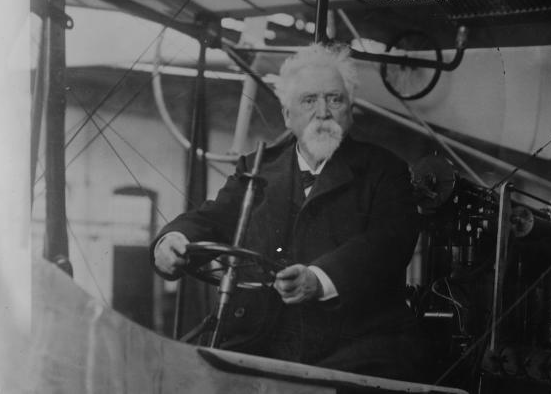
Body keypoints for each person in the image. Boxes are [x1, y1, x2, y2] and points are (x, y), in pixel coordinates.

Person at [151, 43, 427, 382]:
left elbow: (388, 244)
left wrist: (318, 279)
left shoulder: (386, 170)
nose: (323, 112)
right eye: (309, 100)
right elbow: (211, 218)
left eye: (335, 99)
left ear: (350, 111)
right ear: (287, 116)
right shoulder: (256, 168)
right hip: (262, 343)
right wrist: (172, 240)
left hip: (358, 352)